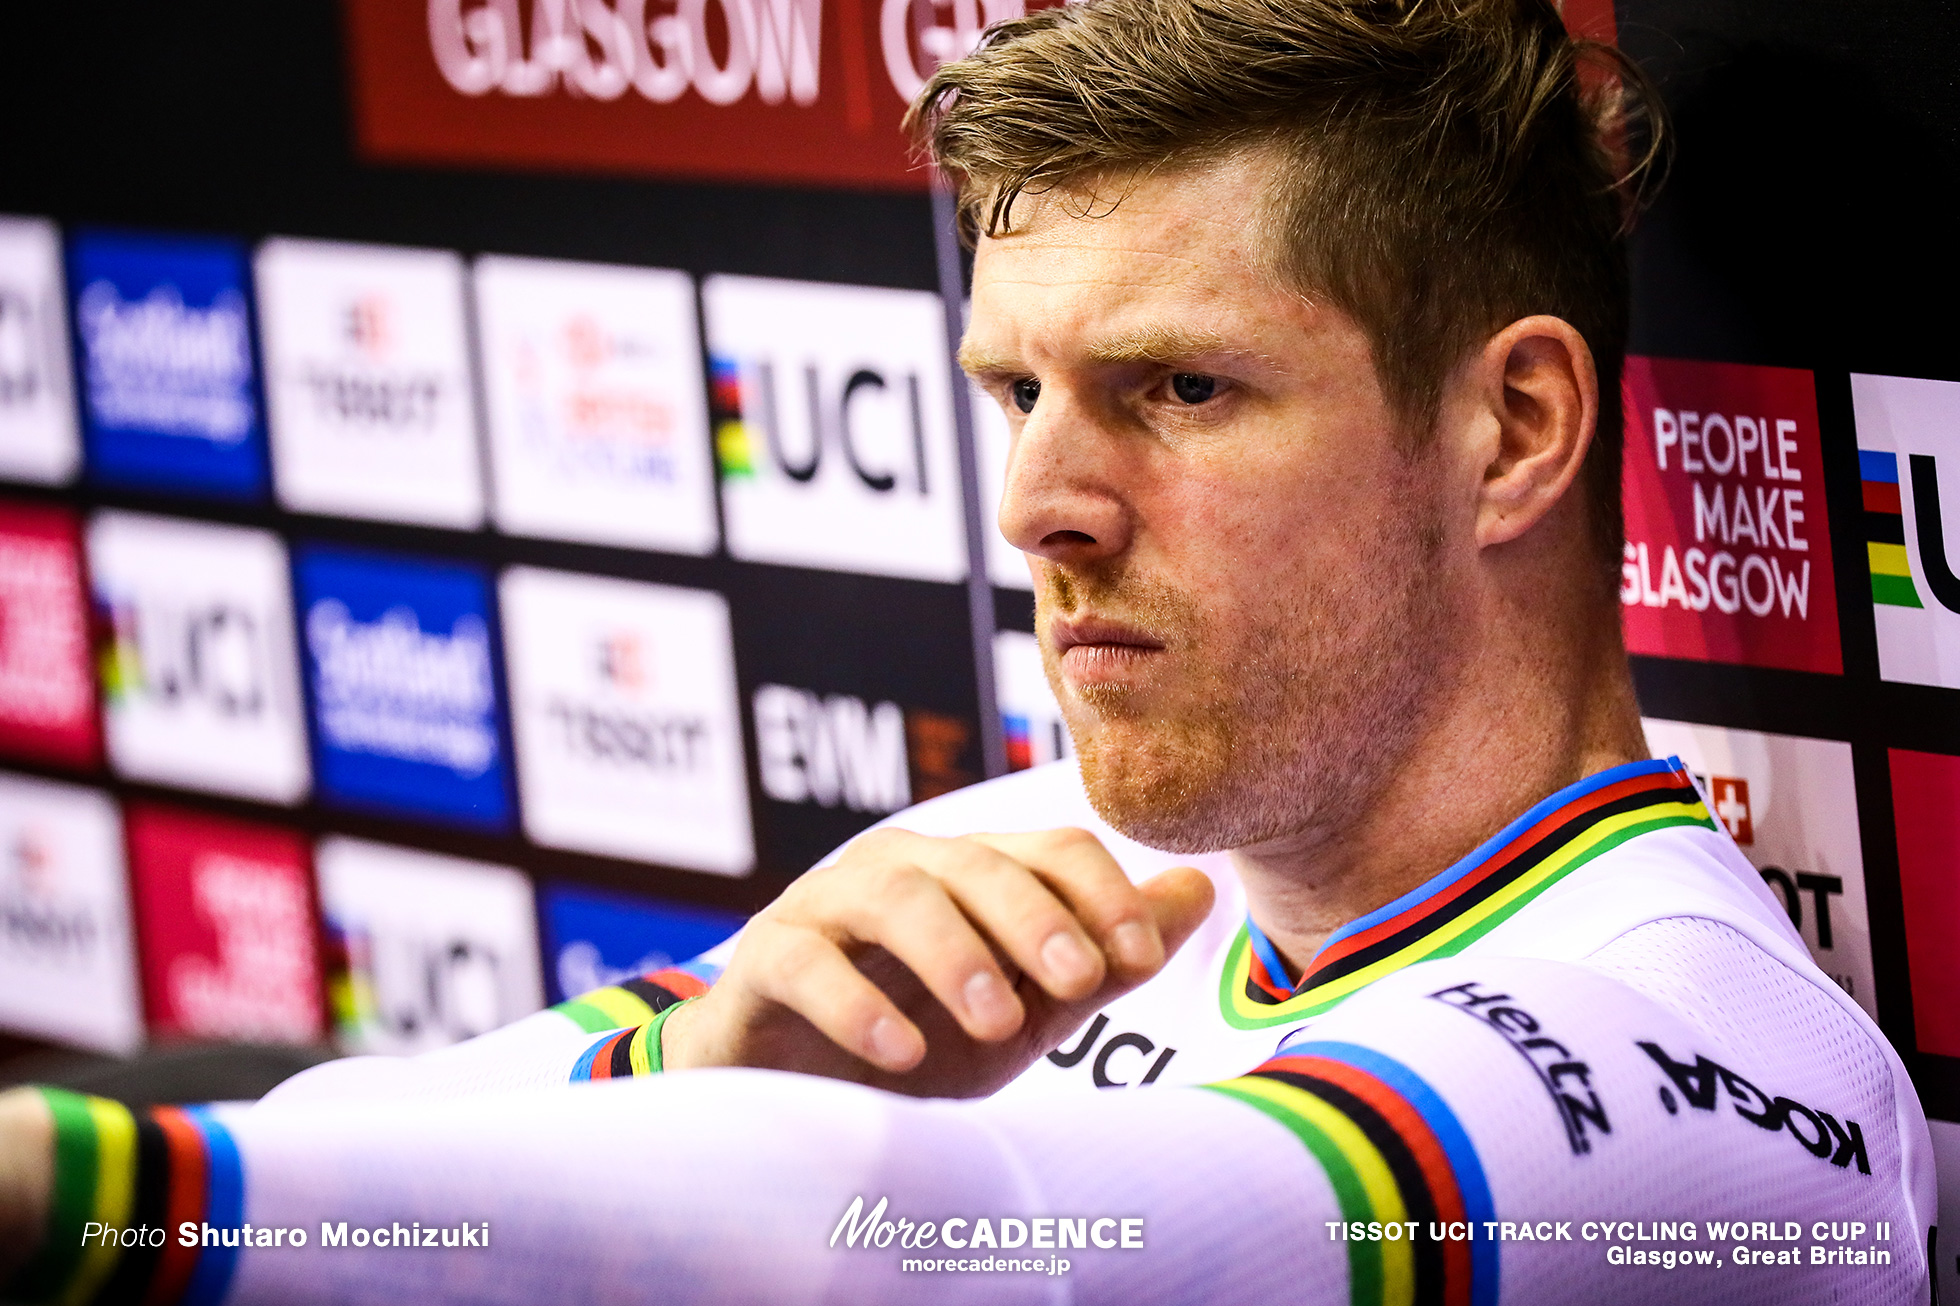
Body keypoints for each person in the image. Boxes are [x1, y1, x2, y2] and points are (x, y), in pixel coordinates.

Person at [0, 0, 1934, 1301]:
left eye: (1180, 385)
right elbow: (388, 1124)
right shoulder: (1050, 865)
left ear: (1509, 429)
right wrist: (699, 1057)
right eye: (1015, 386)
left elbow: (961, 1241)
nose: (1036, 504)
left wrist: (79, 1203)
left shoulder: (1704, 1075)